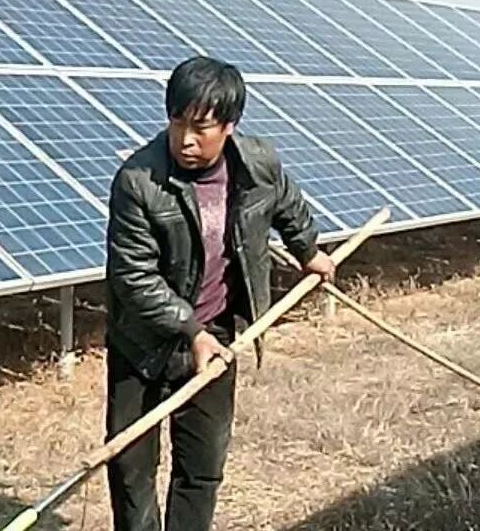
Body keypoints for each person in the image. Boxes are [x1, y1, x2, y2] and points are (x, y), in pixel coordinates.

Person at [104, 56, 335, 531]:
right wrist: (190, 331)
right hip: (143, 345)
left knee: (201, 468)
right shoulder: (138, 182)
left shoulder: (257, 165)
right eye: (177, 123)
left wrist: (308, 250)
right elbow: (133, 276)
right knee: (131, 471)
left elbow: (287, 204)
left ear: (230, 126)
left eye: (201, 127)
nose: (186, 139)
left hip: (218, 338)